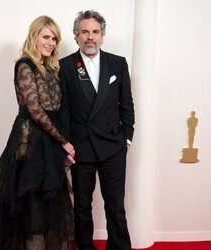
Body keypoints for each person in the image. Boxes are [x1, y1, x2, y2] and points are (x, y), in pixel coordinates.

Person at [0, 15, 76, 250]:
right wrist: (64, 142)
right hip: (30, 141)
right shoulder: (25, 65)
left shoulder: (51, 68)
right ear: (34, 36)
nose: (51, 43)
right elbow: (35, 111)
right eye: (46, 36)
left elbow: (58, 110)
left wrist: (63, 144)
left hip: (50, 140)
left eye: (54, 38)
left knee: (50, 205)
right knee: (30, 205)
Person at [59, 10, 135, 250]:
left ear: (102, 35)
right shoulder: (67, 66)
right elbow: (64, 112)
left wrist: (127, 139)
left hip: (113, 147)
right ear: (76, 36)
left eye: (95, 32)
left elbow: (127, 104)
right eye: (85, 32)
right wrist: (67, 146)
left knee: (116, 206)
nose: (90, 37)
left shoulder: (117, 63)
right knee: (81, 206)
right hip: (81, 148)